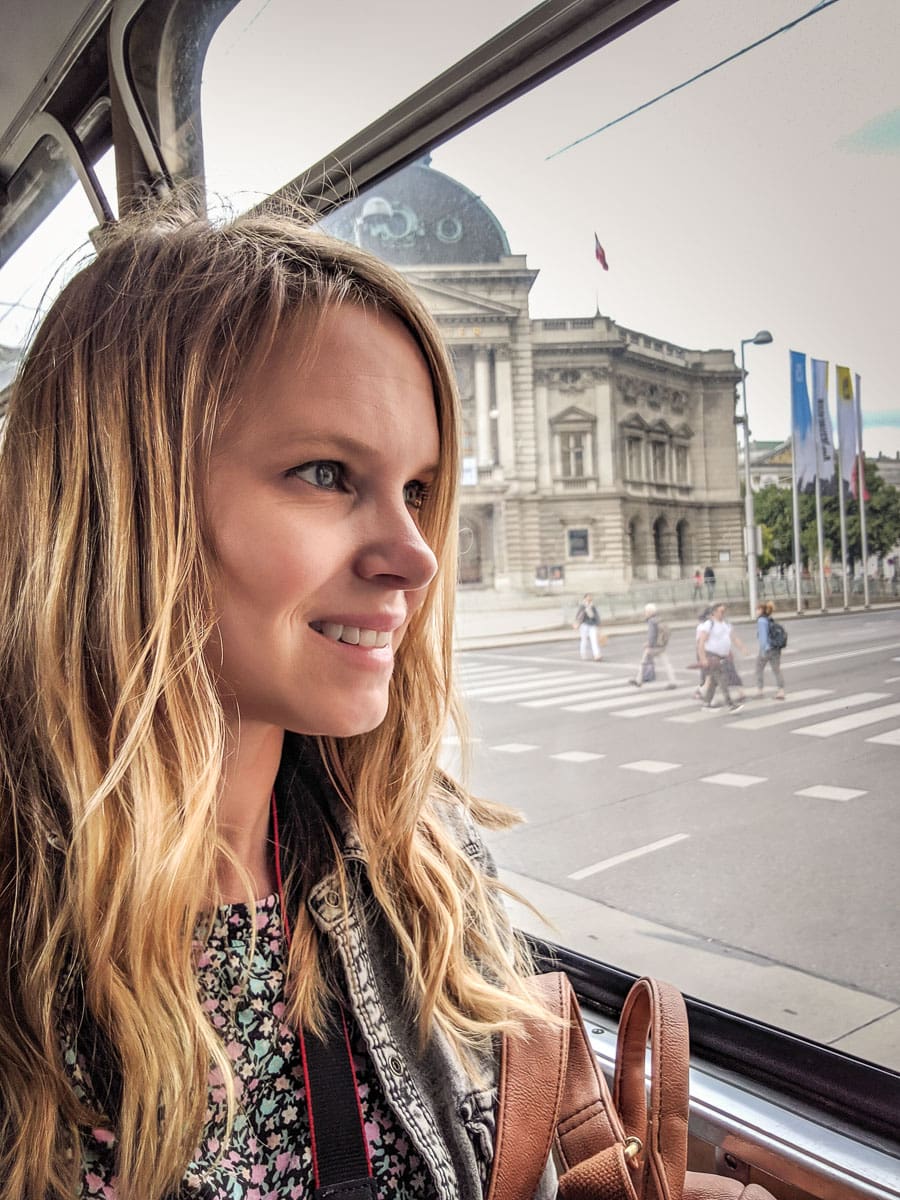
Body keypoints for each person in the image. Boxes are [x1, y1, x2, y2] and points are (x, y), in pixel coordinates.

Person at [0, 208, 556, 1200]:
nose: (417, 556)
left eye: (420, 488)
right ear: (129, 500)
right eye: (326, 475)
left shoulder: (424, 866)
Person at [697, 602, 746, 712]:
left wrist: (742, 648)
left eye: (724, 611)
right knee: (722, 678)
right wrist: (703, 658)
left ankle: (706, 703)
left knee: (714, 681)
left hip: (722, 656)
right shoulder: (709, 624)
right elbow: (701, 642)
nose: (723, 613)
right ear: (714, 612)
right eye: (721, 611)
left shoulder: (726, 624)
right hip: (712, 656)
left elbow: (733, 638)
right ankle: (731, 704)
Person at [630, 602, 677, 689]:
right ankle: (673, 681)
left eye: (646, 611)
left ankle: (638, 680)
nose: (645, 613)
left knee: (643, 662)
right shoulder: (659, 619)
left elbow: (652, 635)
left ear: (650, 612)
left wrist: (649, 645)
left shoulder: (651, 621)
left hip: (654, 647)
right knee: (666, 663)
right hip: (661, 645)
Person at [755, 601, 786, 699]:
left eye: (757, 609)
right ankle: (781, 692)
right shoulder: (769, 619)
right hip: (776, 649)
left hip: (767, 649)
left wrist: (763, 651)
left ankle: (760, 691)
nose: (756, 611)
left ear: (761, 610)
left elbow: (763, 638)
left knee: (758, 669)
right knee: (777, 670)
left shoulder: (761, 621)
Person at [573, 593, 603, 661]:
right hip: (584, 625)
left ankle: (597, 655)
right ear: (585, 598)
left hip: (592, 625)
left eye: (590, 597)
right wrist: (577, 624)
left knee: (594, 640)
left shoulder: (593, 606)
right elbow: (578, 616)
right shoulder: (582, 606)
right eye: (588, 597)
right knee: (584, 640)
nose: (590, 598)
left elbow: (596, 616)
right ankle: (583, 653)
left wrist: (598, 624)